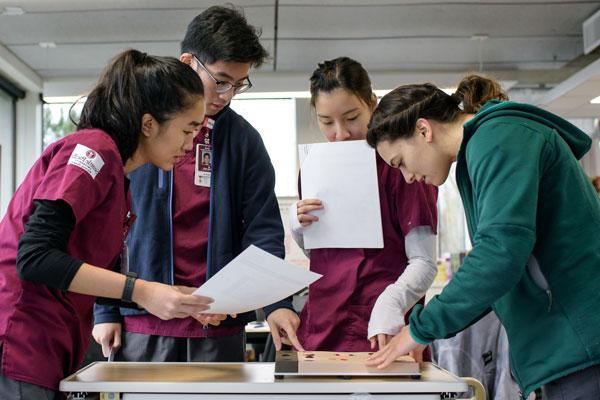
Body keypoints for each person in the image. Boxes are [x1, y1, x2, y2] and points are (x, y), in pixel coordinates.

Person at [0, 49, 223, 399]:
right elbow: (35, 258)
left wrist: (169, 299)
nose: (192, 142)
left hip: (50, 345)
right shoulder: (93, 151)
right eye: (188, 128)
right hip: (21, 341)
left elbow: (84, 272)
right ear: (149, 124)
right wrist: (144, 291)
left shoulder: (118, 177)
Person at [365, 75, 600, 399]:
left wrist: (419, 330)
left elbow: (499, 256)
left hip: (583, 346)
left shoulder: (499, 139)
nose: (406, 177)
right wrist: (424, 331)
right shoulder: (482, 149)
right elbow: (498, 266)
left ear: (423, 130)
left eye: (400, 162)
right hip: (567, 346)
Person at [93, 5, 301, 362]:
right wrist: (105, 309)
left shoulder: (244, 141)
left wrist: (277, 304)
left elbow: (262, 231)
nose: (226, 94)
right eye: (220, 81)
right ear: (188, 62)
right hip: (145, 319)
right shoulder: (141, 130)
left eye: (238, 85)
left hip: (219, 321)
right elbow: (106, 228)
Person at [289, 57, 438, 355]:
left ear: (372, 103)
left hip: (383, 328)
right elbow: (321, 255)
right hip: (323, 323)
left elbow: (423, 262)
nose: (340, 133)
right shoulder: (314, 168)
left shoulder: (402, 165)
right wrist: (296, 225)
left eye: (352, 117)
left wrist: (391, 302)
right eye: (327, 122)